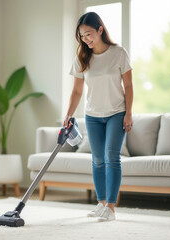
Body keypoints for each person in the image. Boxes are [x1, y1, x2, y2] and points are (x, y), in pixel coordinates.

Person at [63, 12, 133, 222]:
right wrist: (68, 114)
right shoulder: (82, 57)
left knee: (112, 157)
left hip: (116, 113)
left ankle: (111, 207)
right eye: (82, 36)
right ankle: (101, 203)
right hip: (92, 115)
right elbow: (76, 91)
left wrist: (129, 113)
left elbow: (128, 85)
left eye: (89, 34)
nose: (86, 40)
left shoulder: (119, 53)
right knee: (97, 160)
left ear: (100, 29)